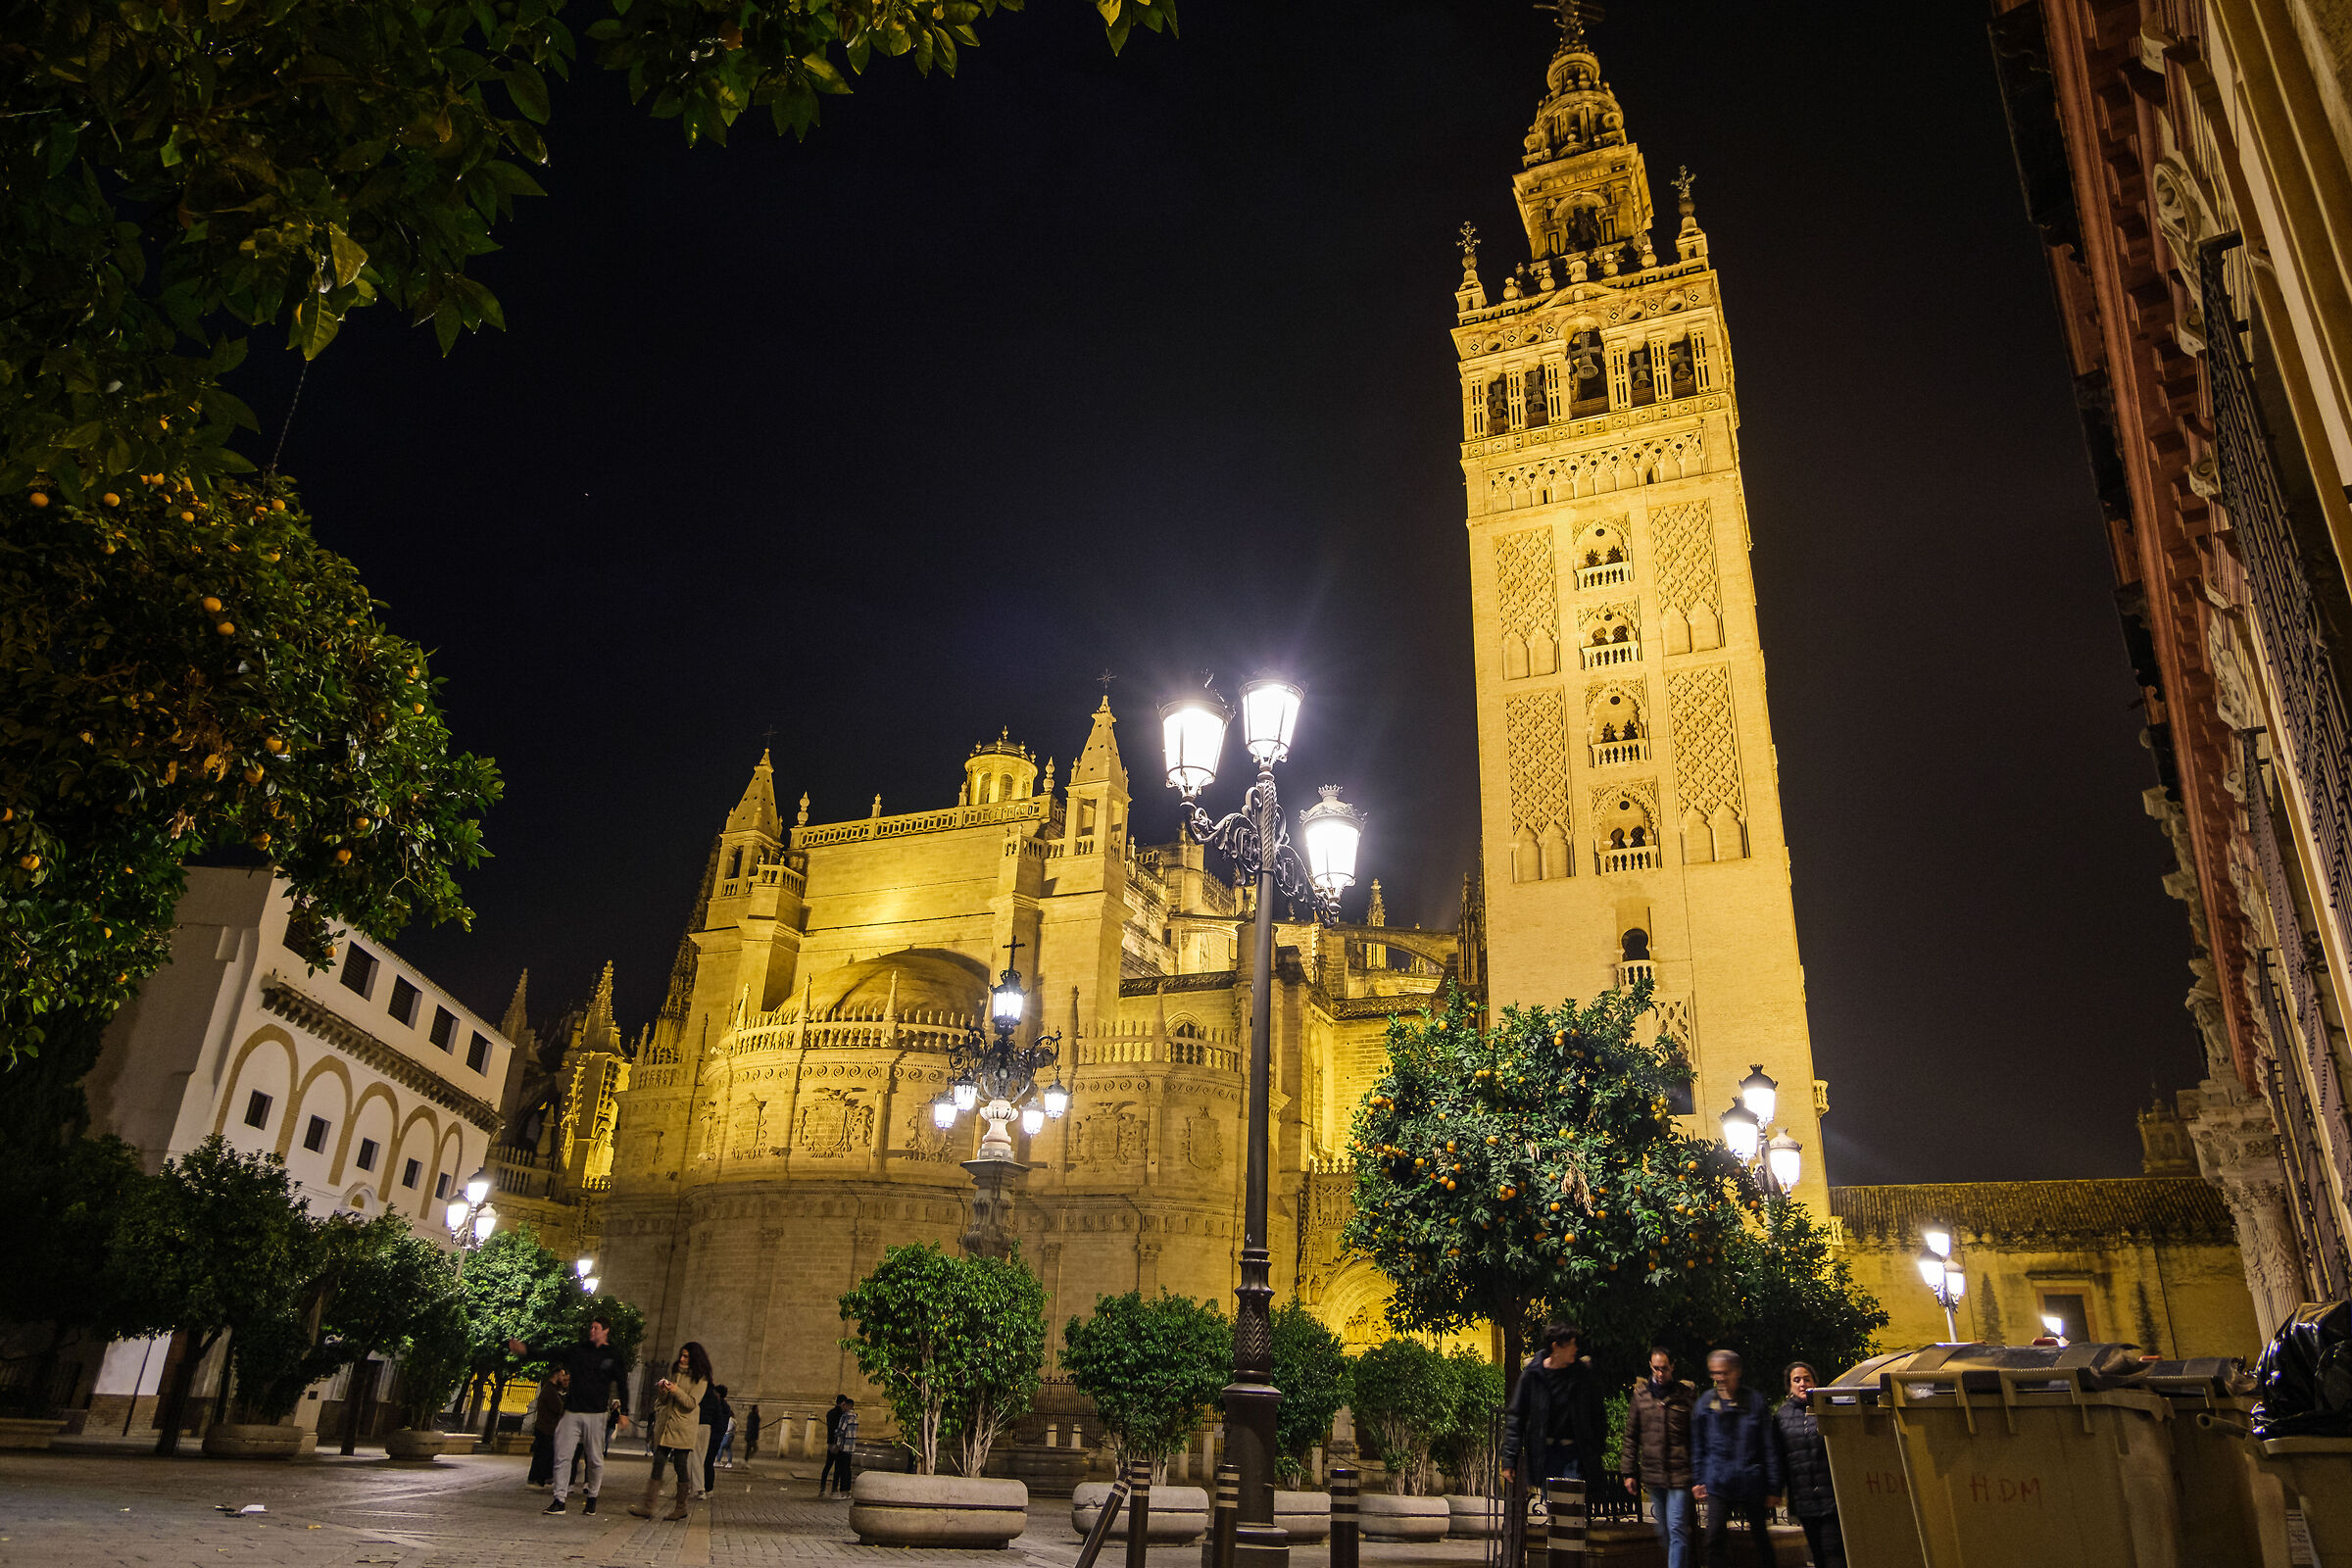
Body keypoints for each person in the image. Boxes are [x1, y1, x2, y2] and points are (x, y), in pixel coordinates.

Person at [510, 1315, 633, 1516]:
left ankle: (592, 1498)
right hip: (573, 1411)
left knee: (594, 1458)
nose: (592, 1331)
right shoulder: (579, 1350)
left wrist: (624, 1412)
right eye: (591, 1327)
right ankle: (559, 1499)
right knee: (562, 1454)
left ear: (606, 1330)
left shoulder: (613, 1355)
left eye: (596, 1328)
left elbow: (622, 1384)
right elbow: (552, 1353)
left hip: (597, 1413)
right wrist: (526, 1352)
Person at [1691, 1349, 1782, 1568]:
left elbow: (1769, 1446)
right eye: (1715, 1373)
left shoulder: (1755, 1402)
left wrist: (1774, 1487)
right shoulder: (1706, 1403)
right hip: (1718, 1481)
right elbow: (1698, 1445)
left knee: (1760, 1536)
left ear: (1737, 1372)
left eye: (1724, 1372)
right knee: (1713, 1537)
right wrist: (1698, 1479)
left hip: (1750, 1480)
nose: (1719, 1378)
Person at [1498, 1323, 1606, 1494]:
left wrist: (1597, 1448)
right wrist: (1509, 1459)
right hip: (1546, 1454)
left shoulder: (1582, 1374)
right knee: (1554, 1507)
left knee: (1571, 1507)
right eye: (1571, 1344)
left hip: (1575, 1454)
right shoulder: (1533, 1374)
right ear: (1556, 1346)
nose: (1575, 1349)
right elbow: (1516, 1416)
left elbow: (1598, 1413)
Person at [1620, 1347, 1696, 1568]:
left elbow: (1696, 1435)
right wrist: (1628, 1472)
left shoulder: (1685, 1395)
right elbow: (1631, 1436)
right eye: (1656, 1368)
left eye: (1664, 1368)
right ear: (1650, 1366)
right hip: (1654, 1474)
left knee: (1677, 1528)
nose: (1660, 1373)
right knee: (1664, 1531)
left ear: (1672, 1366)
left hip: (1680, 1473)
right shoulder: (1641, 1397)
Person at [629, 1343, 710, 1523]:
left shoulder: (701, 1379)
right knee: (658, 1461)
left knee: (680, 1464)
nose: (681, 1359)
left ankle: (681, 1507)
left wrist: (675, 1389)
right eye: (681, 1355)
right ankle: (648, 1506)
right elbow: (665, 1401)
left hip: (683, 1428)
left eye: (686, 1356)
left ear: (694, 1359)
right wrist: (664, 1391)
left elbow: (690, 1403)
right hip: (666, 1426)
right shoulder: (676, 1373)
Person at [1773, 1363, 1844, 1568]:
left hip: (1832, 1498)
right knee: (1817, 1554)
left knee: (1834, 1553)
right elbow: (1779, 1456)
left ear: (1815, 1382)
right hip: (1804, 1500)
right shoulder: (1782, 1417)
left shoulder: (1828, 1409)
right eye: (1797, 1380)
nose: (1802, 1384)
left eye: (1807, 1379)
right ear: (1789, 1386)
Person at [527, 1368, 570, 1488]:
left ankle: (543, 1478)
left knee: (547, 1454)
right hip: (545, 1428)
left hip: (549, 1428)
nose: (564, 1378)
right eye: (562, 1376)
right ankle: (536, 1479)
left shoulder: (553, 1390)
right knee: (542, 1455)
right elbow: (558, 1408)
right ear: (556, 1375)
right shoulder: (550, 1391)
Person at [701, 1383, 730, 1494]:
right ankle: (707, 1488)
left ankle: (708, 1488)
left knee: (707, 1462)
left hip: (713, 1438)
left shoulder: (720, 1406)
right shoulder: (724, 1406)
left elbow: (718, 1423)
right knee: (708, 1462)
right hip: (716, 1437)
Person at [817, 1396, 850, 1494]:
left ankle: (822, 1487)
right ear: (843, 1403)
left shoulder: (830, 1413)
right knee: (837, 1467)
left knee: (827, 1465)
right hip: (839, 1442)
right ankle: (834, 1488)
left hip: (830, 1442)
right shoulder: (843, 1414)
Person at [828, 1396, 858, 1497]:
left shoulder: (845, 1417)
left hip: (844, 1446)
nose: (843, 1407)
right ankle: (847, 1491)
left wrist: (835, 1434)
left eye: (844, 1405)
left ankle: (842, 1491)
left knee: (842, 1470)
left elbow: (841, 1432)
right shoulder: (855, 1417)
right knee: (848, 1469)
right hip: (851, 1447)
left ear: (848, 1405)